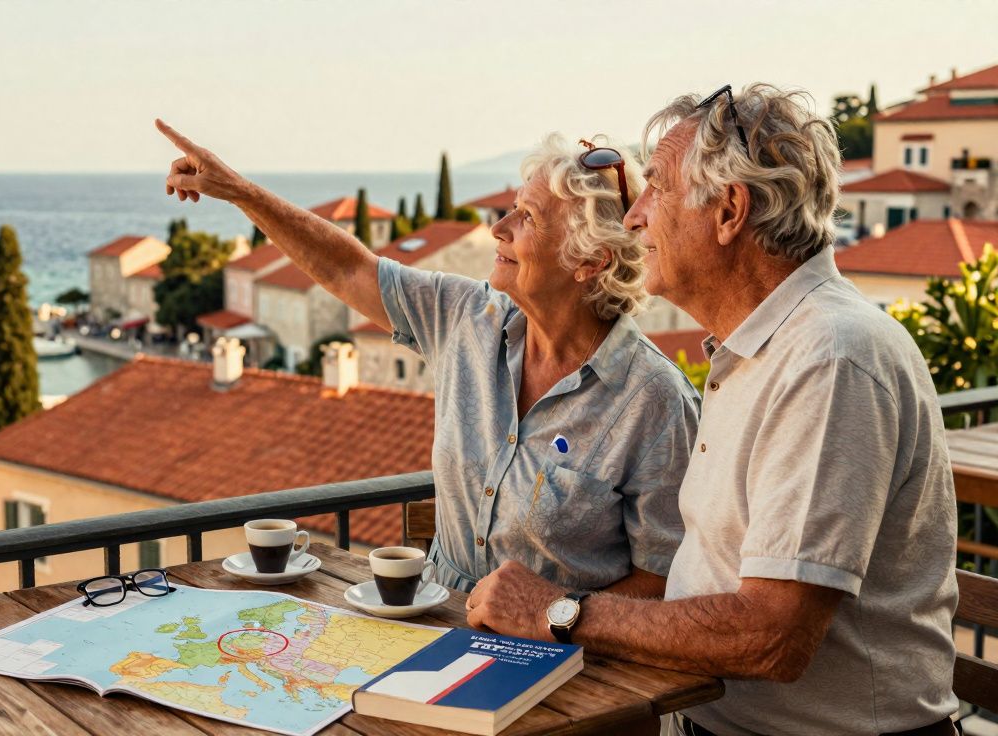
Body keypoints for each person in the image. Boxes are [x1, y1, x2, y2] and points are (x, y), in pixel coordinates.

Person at [465, 85, 959, 736]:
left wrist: (558, 612)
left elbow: (773, 636)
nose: (633, 216)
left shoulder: (830, 360)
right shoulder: (759, 351)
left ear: (729, 211)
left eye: (656, 191)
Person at [156, 120, 700, 598]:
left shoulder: (652, 399)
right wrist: (240, 193)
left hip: (570, 668)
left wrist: (551, 617)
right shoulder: (468, 318)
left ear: (589, 261)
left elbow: (663, 578)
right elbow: (348, 269)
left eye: (527, 218)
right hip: (438, 627)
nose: (498, 228)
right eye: (508, 208)